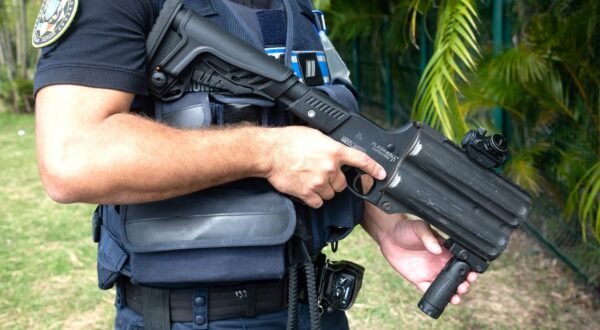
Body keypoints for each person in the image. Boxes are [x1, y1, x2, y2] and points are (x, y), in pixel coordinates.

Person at [33, 0, 477, 329]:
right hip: (195, 316)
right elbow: (73, 156)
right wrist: (268, 152)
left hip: (313, 307)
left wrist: (384, 223)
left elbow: (322, 132)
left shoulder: (296, 9)